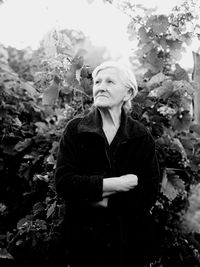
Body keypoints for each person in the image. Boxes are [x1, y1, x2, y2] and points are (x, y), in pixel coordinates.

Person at [54, 60, 161, 267]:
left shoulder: (140, 136)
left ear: (128, 94)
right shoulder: (76, 130)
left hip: (129, 244)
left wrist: (90, 197)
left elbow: (147, 195)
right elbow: (64, 184)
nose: (100, 87)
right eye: (97, 82)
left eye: (110, 82)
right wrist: (117, 184)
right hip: (81, 244)